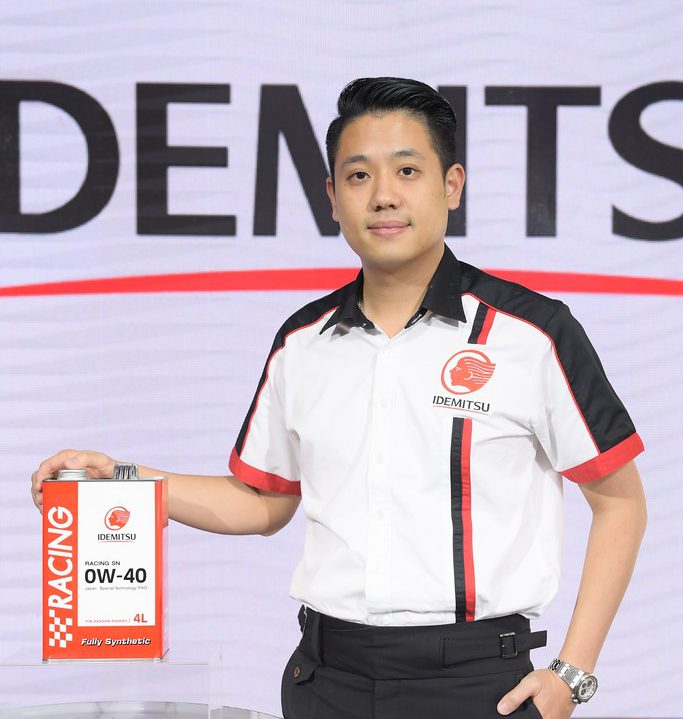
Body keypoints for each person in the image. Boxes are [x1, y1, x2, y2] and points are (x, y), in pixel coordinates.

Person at [32, 77, 647, 719]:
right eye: (358, 176)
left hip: (478, 686)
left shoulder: (533, 333)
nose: (383, 195)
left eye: (407, 170)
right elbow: (263, 501)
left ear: (452, 185)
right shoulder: (302, 342)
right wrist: (123, 479)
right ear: (331, 197)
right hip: (326, 679)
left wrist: (571, 675)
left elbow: (620, 503)